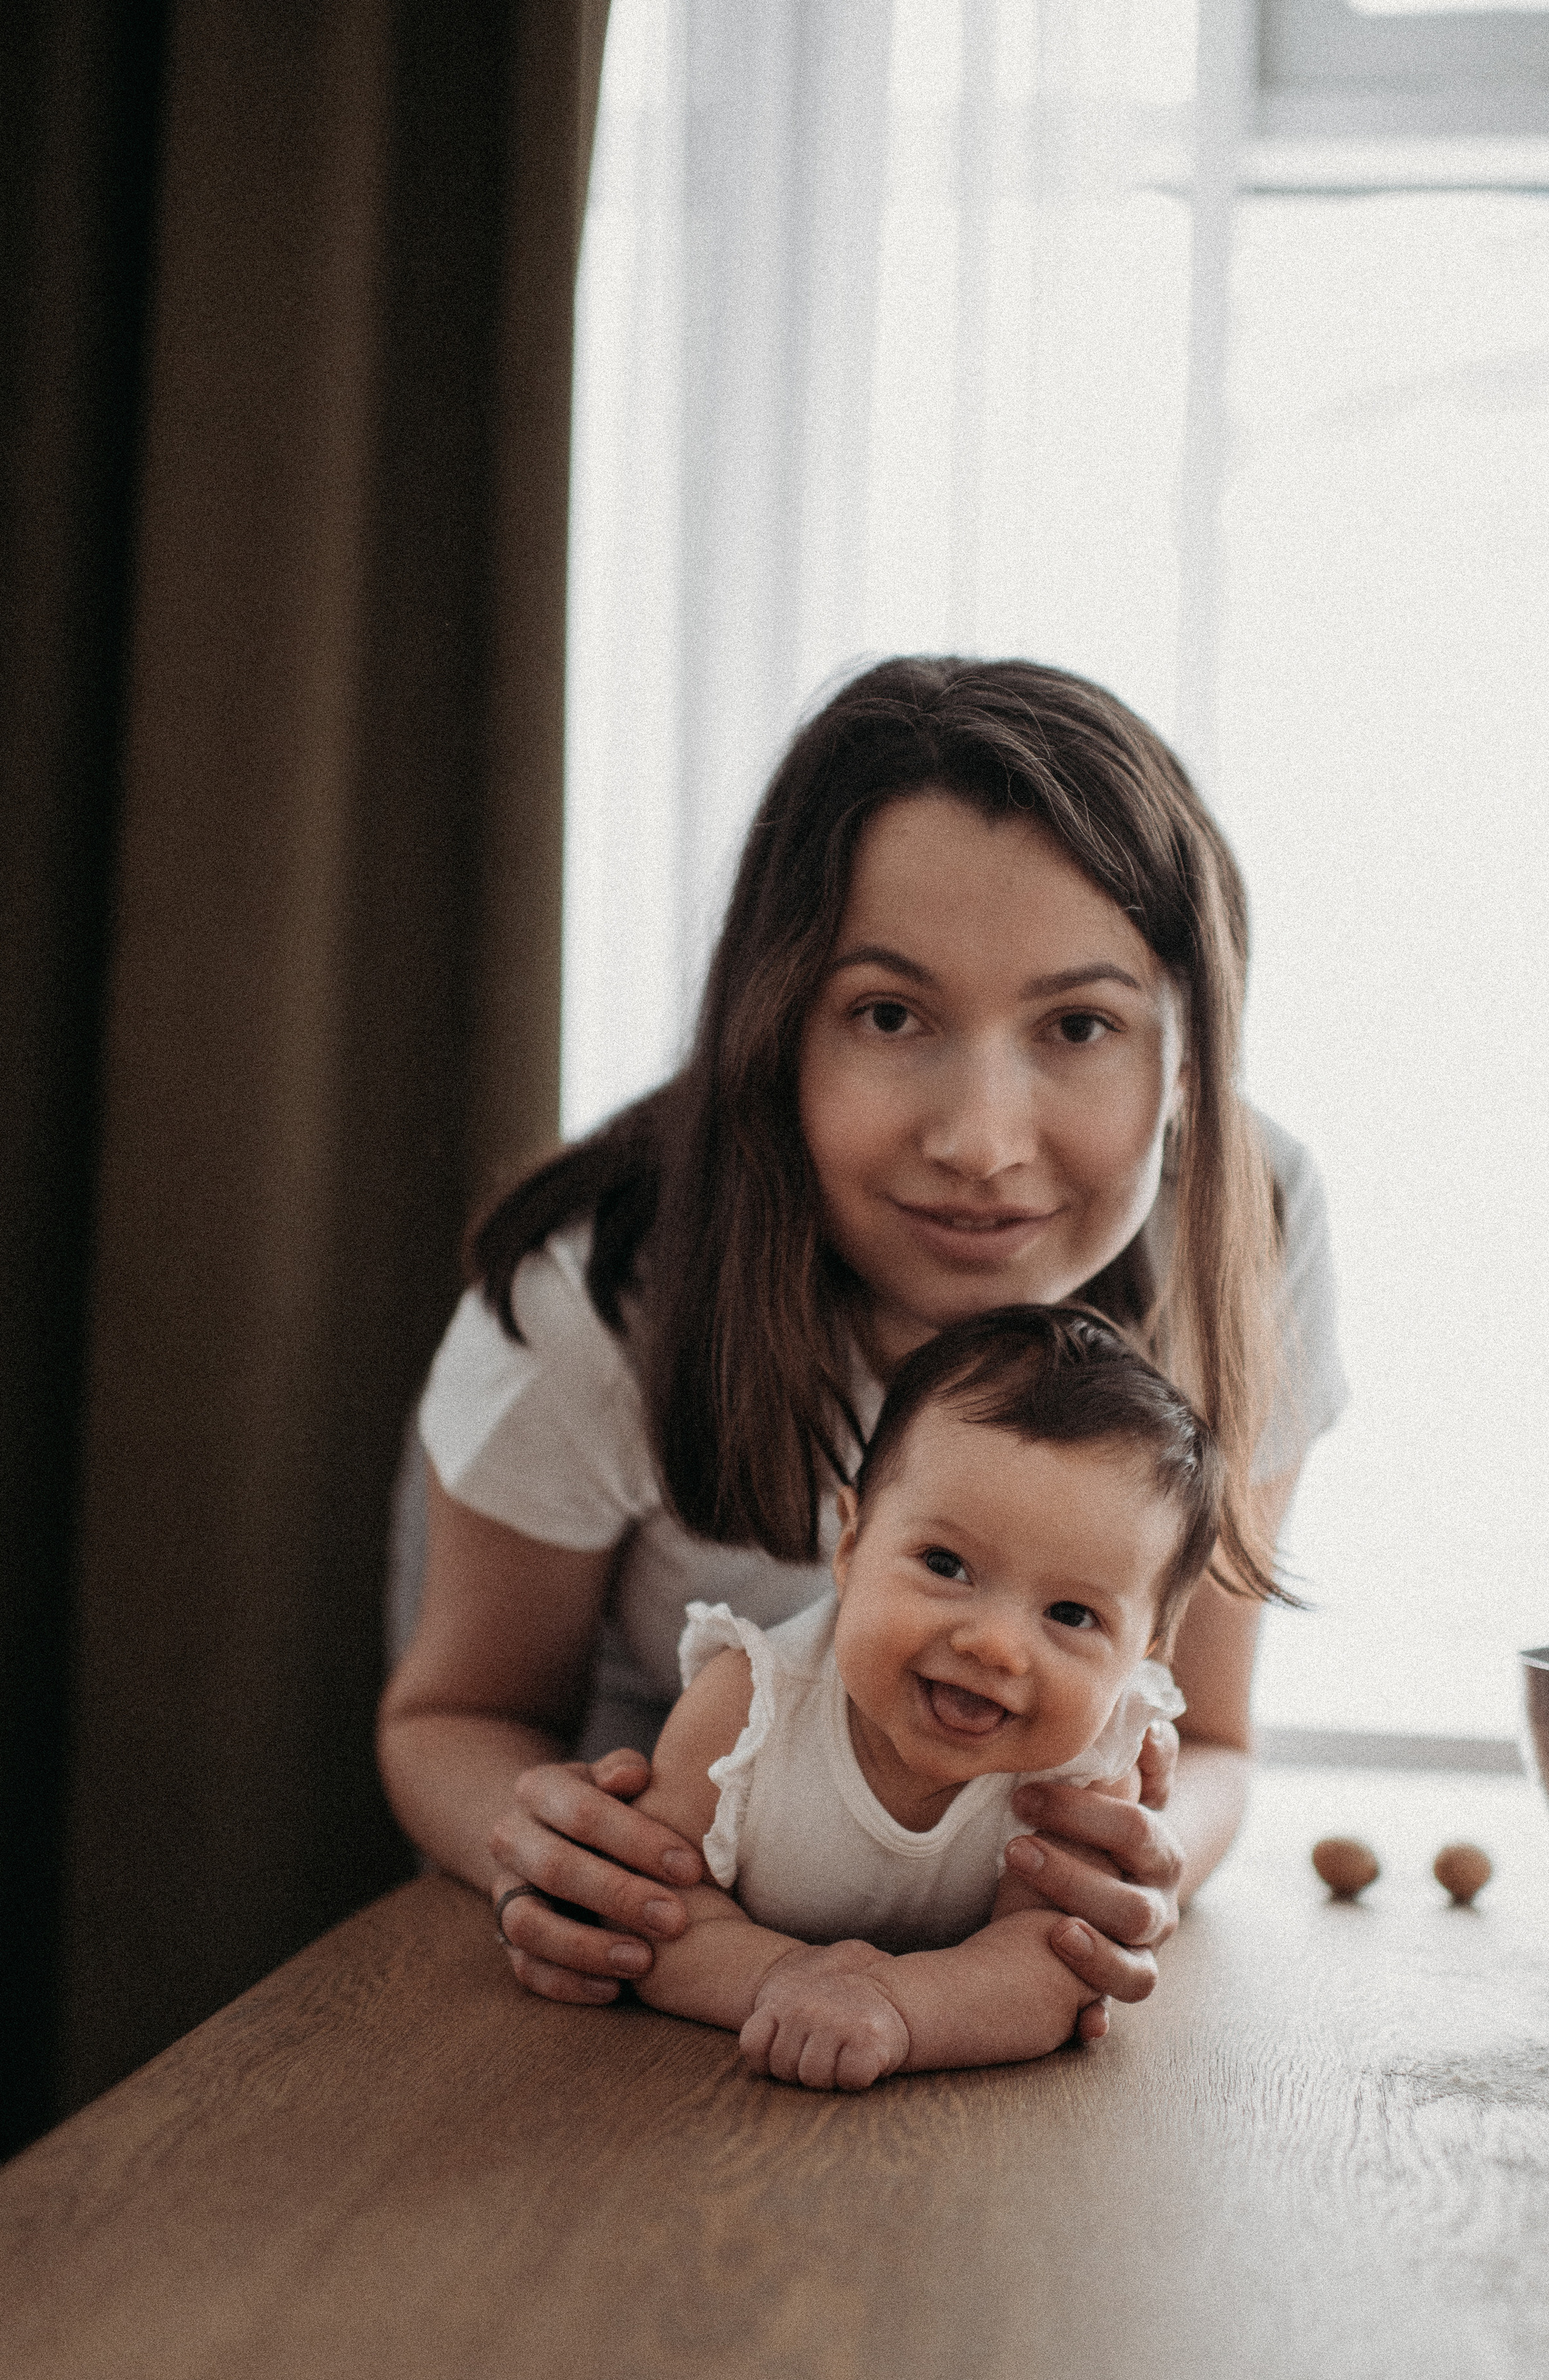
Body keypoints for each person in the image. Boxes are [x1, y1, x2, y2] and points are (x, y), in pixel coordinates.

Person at [377, 656, 1346, 2038]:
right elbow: (452, 1718)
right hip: (646, 1973)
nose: (981, 1143)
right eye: (889, 1016)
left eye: (1077, 1026)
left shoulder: (1246, 1226)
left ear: (1187, 1060)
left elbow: (1211, 1745)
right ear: (775, 1032)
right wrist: (537, 1843)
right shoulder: (597, 1295)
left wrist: (1142, 1866)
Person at [631, 1306, 1223, 2090]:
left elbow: (1046, 1966)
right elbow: (656, 1914)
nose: (995, 1645)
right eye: (945, 1565)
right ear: (851, 1545)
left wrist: (898, 2010)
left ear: (1139, 1654)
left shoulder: (1086, 1764)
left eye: (1071, 1615)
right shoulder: (749, 1704)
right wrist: (778, 1981)